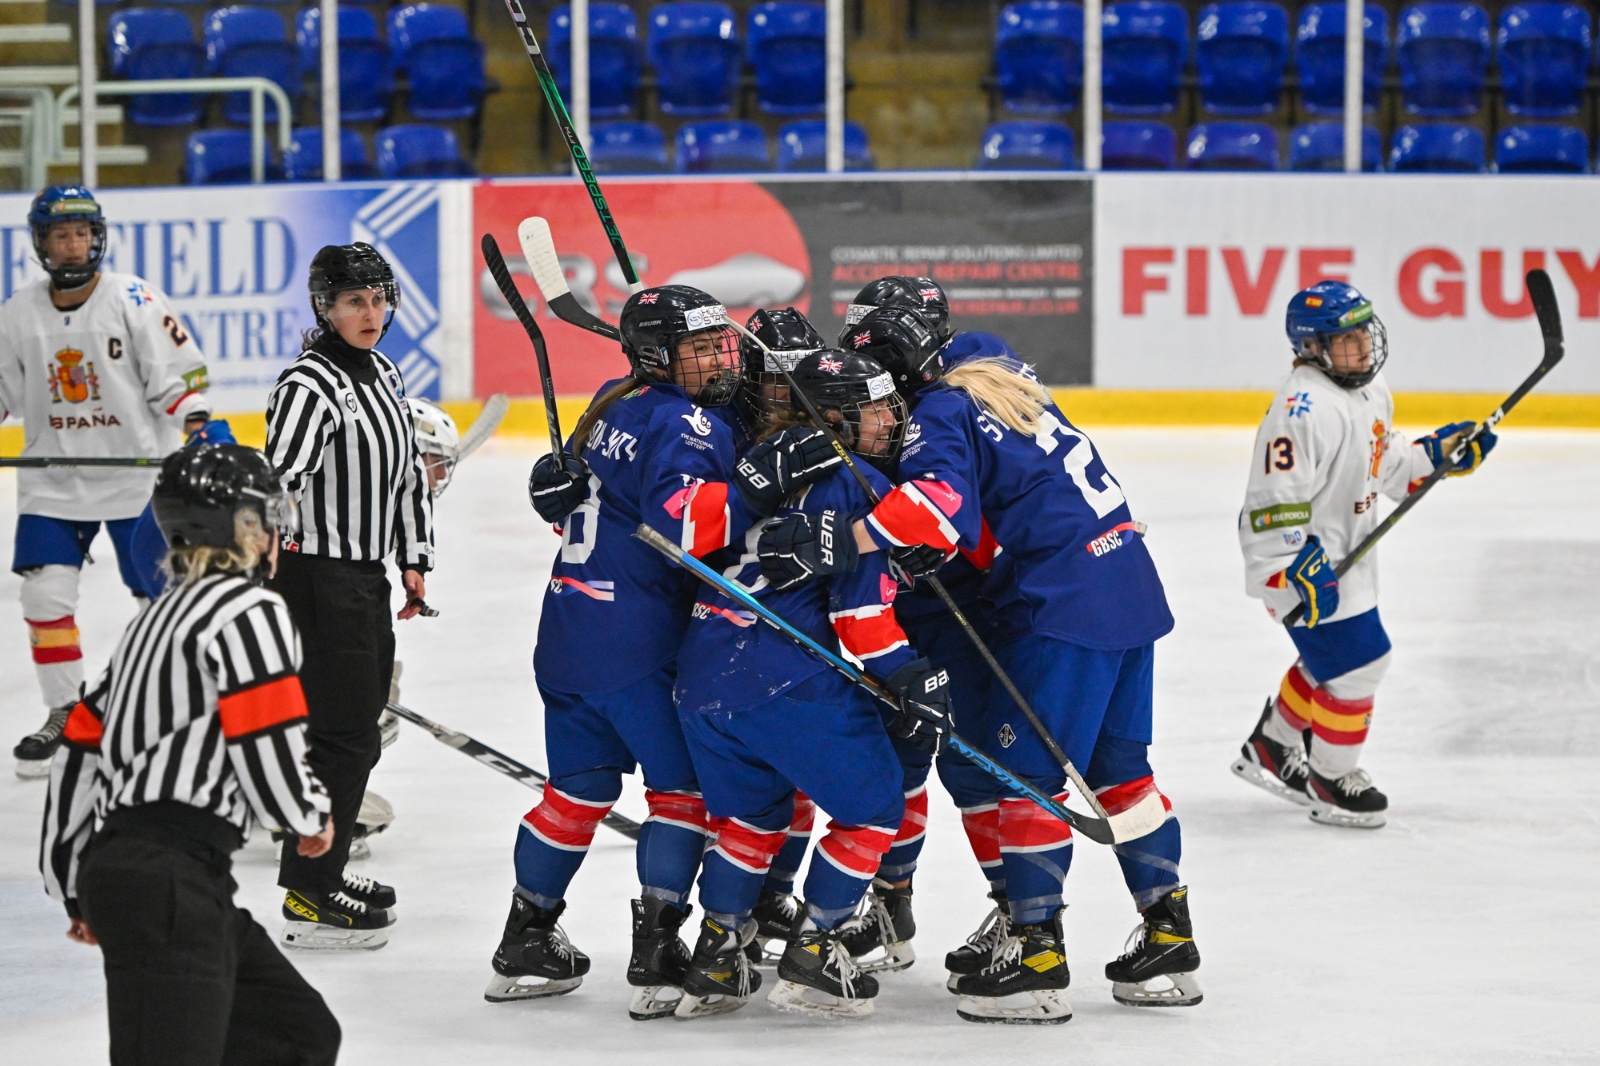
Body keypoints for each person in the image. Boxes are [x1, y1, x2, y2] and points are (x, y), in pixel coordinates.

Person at [760, 305, 1202, 1022]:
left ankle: (1034, 959)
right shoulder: (992, 365)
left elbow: (934, 511)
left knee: (1022, 775)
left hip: (1060, 606)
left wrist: (835, 537)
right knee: (1122, 775)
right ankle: (1169, 936)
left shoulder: (939, 408)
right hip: (1126, 580)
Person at [496, 285, 767, 1019]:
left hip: (567, 636)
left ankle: (526, 938)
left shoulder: (613, 404)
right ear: (657, 357)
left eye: (720, 342)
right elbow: (684, 528)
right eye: (699, 348)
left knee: (576, 791)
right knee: (682, 795)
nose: (719, 358)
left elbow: (580, 503)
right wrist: (759, 485)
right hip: (642, 644)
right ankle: (656, 953)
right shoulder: (690, 424)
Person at [39, 443, 341, 1066]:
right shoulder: (248, 610)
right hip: (168, 883)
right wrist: (307, 814)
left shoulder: (152, 623)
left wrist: (76, 885)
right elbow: (265, 736)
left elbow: (79, 748)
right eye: (266, 517)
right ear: (245, 528)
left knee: (296, 1032)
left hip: (162, 879)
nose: (275, 530)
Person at [674, 347, 951, 1020]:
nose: (891, 419)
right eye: (873, 409)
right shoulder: (851, 482)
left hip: (702, 676)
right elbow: (858, 615)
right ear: (831, 417)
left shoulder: (754, 466)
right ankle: (818, 947)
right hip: (783, 678)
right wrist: (908, 674)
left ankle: (716, 951)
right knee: (875, 807)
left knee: (751, 817)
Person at [1232, 280, 1495, 829]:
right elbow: (1269, 503)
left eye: (1363, 335)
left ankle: (1273, 746)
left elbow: (1385, 463)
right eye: (1346, 340)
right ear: (1312, 348)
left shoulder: (1368, 392)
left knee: (1333, 661)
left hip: (1343, 561)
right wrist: (1288, 568)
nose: (1363, 348)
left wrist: (1438, 454)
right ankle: (1331, 779)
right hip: (1301, 569)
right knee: (1359, 665)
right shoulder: (1298, 410)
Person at [0, 184, 211, 778]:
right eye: (61, 235)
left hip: (134, 481)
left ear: (98, 236)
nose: (73, 245)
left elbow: (177, 381)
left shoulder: (136, 299)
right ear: (41, 243)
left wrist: (195, 421)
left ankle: (159, 710)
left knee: (158, 603)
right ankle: (65, 710)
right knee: (43, 598)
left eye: (82, 233)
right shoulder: (17, 312)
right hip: (53, 480)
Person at [266, 241, 435, 949]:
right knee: (343, 736)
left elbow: (405, 478)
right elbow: (283, 481)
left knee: (355, 731)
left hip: (364, 577)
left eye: (377, 300)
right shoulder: (309, 385)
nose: (370, 314)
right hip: (317, 579)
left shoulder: (385, 372)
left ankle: (324, 865)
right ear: (324, 308)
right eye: (353, 302)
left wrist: (415, 558)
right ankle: (309, 887)